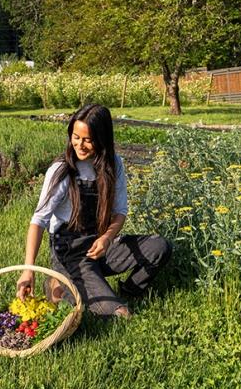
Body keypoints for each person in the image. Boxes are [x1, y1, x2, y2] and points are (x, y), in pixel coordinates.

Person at [16, 104, 171, 318]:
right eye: (75, 137)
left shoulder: (113, 164)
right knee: (120, 314)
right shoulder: (62, 170)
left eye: (88, 139)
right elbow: (38, 220)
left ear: (102, 138)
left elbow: (120, 211)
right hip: (71, 254)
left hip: (101, 246)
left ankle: (127, 291)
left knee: (159, 247)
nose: (80, 145)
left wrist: (107, 238)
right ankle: (58, 283)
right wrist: (28, 269)